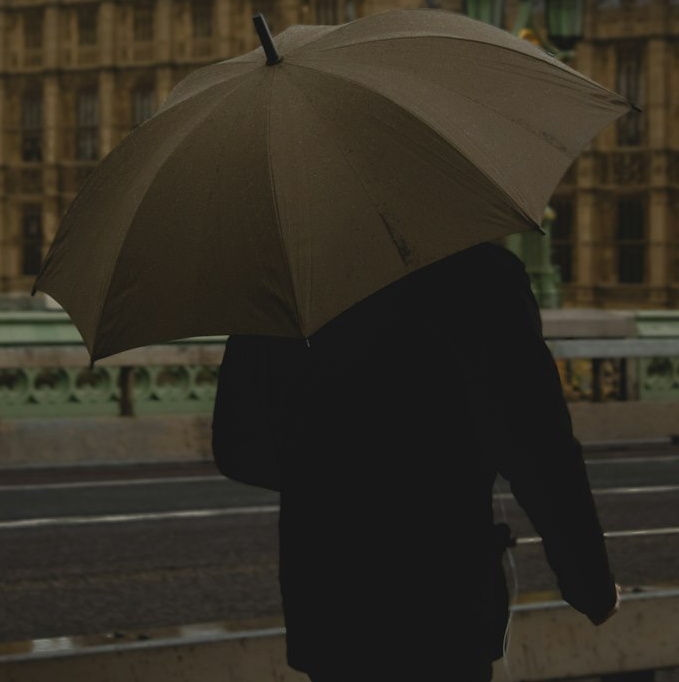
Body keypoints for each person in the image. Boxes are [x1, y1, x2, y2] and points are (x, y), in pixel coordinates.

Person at [212, 242, 619, 681]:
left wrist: (332, 477)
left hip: (331, 606)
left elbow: (239, 449)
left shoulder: (285, 283)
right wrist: (590, 586)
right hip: (444, 601)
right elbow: (539, 445)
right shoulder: (476, 271)